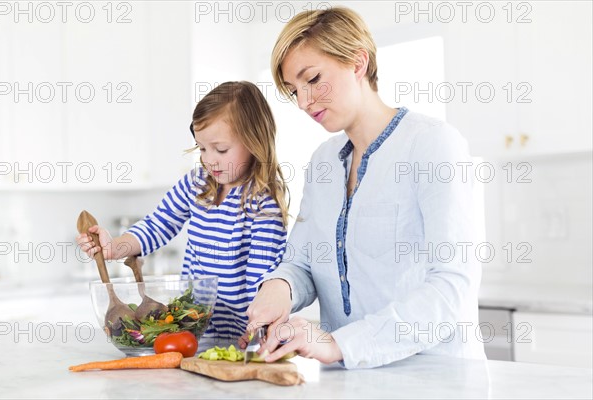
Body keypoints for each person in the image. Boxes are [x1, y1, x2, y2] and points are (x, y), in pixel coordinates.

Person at [241, 7, 486, 368]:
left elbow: (452, 287)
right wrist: (282, 287)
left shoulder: (434, 145)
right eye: (294, 91)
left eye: (312, 79)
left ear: (358, 63)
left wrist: (340, 344)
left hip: (435, 378)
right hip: (347, 381)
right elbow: (303, 262)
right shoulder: (323, 162)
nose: (304, 102)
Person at [76, 81, 289, 339]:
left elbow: (263, 277)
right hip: (195, 331)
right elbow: (158, 225)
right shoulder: (196, 184)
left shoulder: (262, 202)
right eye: (202, 148)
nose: (209, 159)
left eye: (220, 149)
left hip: (245, 336)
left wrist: (257, 332)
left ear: (255, 141)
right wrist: (114, 247)